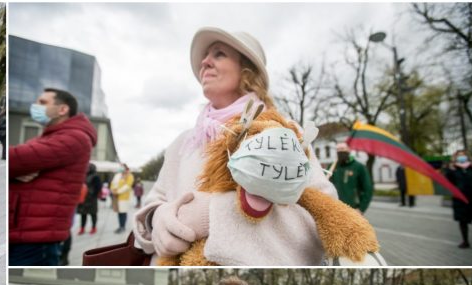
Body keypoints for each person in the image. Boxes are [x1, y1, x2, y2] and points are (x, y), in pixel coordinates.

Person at [132, 28, 337, 265]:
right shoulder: (183, 143)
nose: (205, 62)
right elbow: (155, 201)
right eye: (204, 57)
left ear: (247, 71)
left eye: (218, 54)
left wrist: (214, 215)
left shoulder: (284, 132)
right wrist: (156, 219)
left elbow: (321, 212)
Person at [9, 89, 97, 266]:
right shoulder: (51, 135)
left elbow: (15, 159)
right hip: (25, 230)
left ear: (62, 109)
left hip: (35, 238)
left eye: (42, 102)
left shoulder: (73, 137)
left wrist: (16, 172)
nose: (35, 106)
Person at [330, 142, 373, 213]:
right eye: (338, 149)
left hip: (353, 209)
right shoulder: (332, 167)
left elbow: (368, 189)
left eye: (342, 148)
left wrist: (361, 209)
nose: (340, 151)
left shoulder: (359, 167)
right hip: (335, 208)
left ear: (349, 150)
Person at [445, 150, 472, 249]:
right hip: (460, 199)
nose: (462, 157)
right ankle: (465, 241)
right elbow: (448, 182)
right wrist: (450, 169)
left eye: (463, 155)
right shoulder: (453, 170)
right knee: (463, 221)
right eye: (459, 156)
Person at [77, 163, 102, 235]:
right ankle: (82, 228)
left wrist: (93, 195)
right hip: (83, 198)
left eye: (88, 167)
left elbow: (98, 187)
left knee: (93, 214)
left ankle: (93, 227)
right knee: (83, 214)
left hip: (92, 198)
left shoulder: (95, 176)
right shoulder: (83, 175)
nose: (86, 169)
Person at [110, 164, 134, 234]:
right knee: (119, 212)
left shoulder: (129, 176)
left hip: (123, 198)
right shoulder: (117, 175)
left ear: (126, 168)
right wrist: (112, 190)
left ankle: (122, 227)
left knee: (123, 212)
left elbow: (127, 186)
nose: (120, 169)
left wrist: (117, 192)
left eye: (122, 167)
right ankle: (120, 226)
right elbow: (112, 183)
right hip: (116, 197)